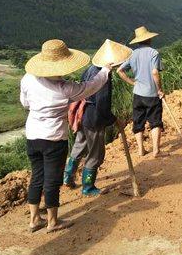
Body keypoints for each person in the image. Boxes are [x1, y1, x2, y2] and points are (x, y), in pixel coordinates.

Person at [20, 39, 112, 232]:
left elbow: (25, 103)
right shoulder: (65, 89)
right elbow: (92, 86)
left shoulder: (28, 78)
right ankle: (52, 222)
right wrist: (105, 71)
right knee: (52, 180)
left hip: (33, 136)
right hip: (53, 139)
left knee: (37, 176)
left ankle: (34, 219)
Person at [64, 41, 132, 195]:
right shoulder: (103, 76)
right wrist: (114, 119)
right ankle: (88, 187)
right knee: (95, 153)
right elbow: (102, 104)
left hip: (83, 115)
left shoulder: (90, 70)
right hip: (94, 118)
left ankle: (67, 178)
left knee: (79, 145)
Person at [117, 26, 166, 158]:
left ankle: (141, 150)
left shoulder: (133, 54)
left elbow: (119, 70)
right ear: (149, 39)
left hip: (138, 93)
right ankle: (156, 150)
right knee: (155, 121)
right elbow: (155, 72)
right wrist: (160, 89)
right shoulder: (153, 53)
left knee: (138, 122)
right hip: (152, 94)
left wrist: (132, 82)